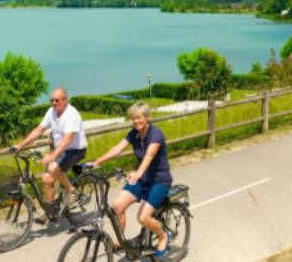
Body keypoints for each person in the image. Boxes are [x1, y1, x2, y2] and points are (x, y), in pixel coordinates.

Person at [91, 102, 172, 258]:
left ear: (147, 117)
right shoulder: (134, 134)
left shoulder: (156, 134)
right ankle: (121, 241)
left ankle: (163, 236)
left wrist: (138, 173)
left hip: (158, 180)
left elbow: (150, 154)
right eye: (133, 118)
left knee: (143, 218)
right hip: (141, 179)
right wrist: (97, 162)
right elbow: (118, 148)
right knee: (118, 206)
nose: (136, 121)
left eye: (139, 118)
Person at [12, 88, 88, 224]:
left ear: (65, 100)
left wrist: (53, 155)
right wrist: (21, 145)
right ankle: (49, 212)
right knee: (47, 180)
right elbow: (38, 130)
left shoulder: (72, 114)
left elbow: (69, 138)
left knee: (53, 168)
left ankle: (72, 191)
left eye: (57, 100)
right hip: (62, 150)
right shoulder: (51, 112)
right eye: (51, 100)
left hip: (76, 150)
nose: (54, 102)